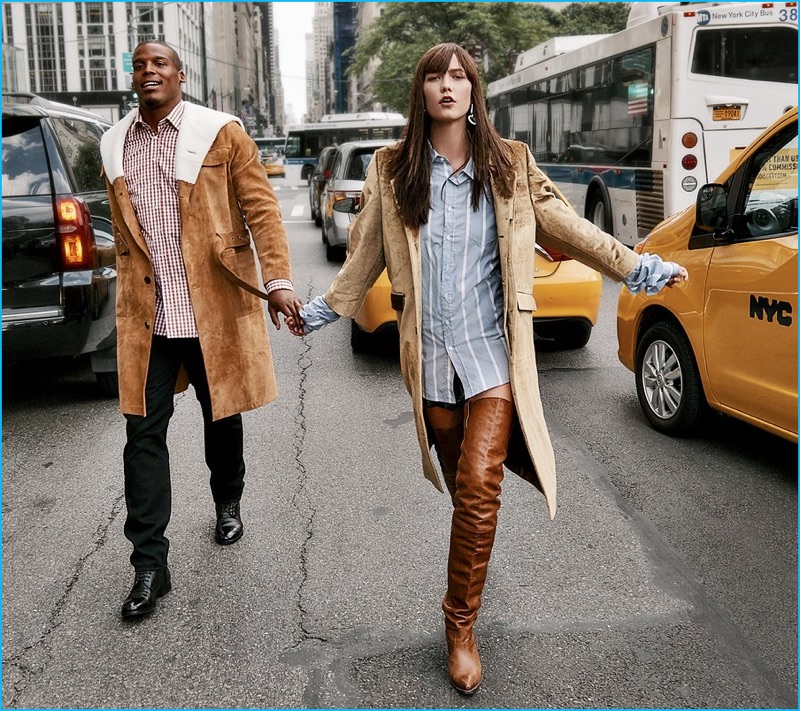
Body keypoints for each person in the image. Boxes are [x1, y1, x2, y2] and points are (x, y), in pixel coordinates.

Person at [287, 42, 688, 694]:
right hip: (432, 362)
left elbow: (570, 227)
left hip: (493, 357)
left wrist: (637, 268)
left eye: (459, 75)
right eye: (435, 76)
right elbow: (361, 261)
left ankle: (459, 624)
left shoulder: (509, 164)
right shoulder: (392, 172)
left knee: (479, 484)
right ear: (421, 92)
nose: (447, 85)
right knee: (467, 495)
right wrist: (316, 314)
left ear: (475, 91)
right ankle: (470, 570)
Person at [100, 41, 303, 620]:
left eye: (159, 64)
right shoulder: (114, 144)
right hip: (150, 320)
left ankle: (227, 500)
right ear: (132, 77)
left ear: (181, 75)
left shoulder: (222, 132)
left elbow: (261, 209)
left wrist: (279, 279)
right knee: (142, 433)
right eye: (139, 65)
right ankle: (149, 564)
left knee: (223, 413)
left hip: (213, 308)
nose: (149, 72)